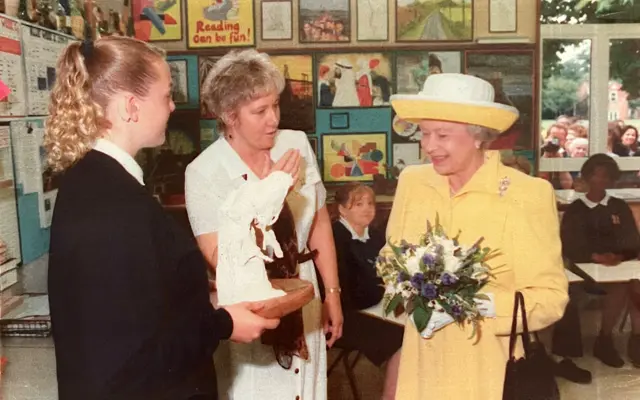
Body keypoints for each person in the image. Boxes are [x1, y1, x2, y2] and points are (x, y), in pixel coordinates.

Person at [45, 36, 280, 400]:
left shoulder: (93, 181)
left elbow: (136, 305)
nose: (172, 106)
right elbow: (136, 356)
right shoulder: (112, 202)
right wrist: (224, 323)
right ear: (130, 107)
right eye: (166, 95)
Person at [387, 73, 569, 399]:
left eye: (442, 134)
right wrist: (406, 293)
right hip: (423, 363)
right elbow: (391, 258)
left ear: (478, 136)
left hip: (490, 367)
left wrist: (472, 306)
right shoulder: (412, 183)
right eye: (424, 133)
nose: (429, 146)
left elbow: (551, 298)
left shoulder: (527, 194)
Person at [185, 49, 343, 400]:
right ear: (229, 116)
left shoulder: (295, 144)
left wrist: (332, 293)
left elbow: (318, 221)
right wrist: (266, 192)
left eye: (275, 106)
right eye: (260, 111)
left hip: (305, 291)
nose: (273, 119)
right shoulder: (203, 172)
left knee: (307, 390)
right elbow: (220, 259)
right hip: (253, 304)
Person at [559, 154, 640, 369]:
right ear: (587, 177)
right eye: (597, 175)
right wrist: (596, 257)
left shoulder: (619, 206)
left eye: (607, 176)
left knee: (635, 284)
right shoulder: (576, 209)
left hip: (618, 266)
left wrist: (620, 256)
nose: (602, 181)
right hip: (585, 269)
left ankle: (635, 339)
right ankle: (604, 341)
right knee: (620, 288)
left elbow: (632, 239)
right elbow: (570, 245)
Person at [331, 183, 403, 400]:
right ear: (342, 209)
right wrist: (383, 290)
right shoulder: (336, 237)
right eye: (358, 204)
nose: (367, 209)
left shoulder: (376, 235)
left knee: (421, 326)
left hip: (374, 305)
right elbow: (351, 291)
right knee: (403, 338)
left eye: (370, 203)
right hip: (345, 314)